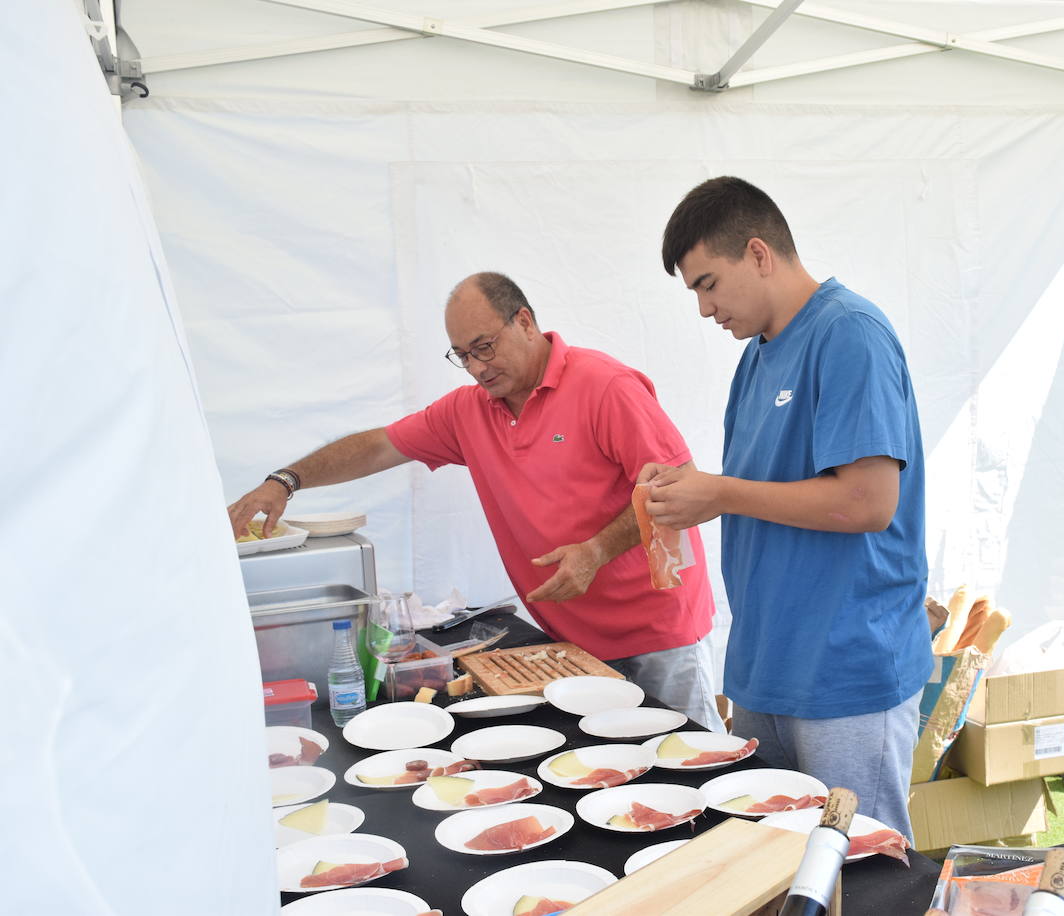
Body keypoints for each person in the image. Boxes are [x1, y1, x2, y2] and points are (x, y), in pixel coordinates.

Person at [228, 271, 723, 729]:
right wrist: (286, 480)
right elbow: (377, 447)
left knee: (689, 765)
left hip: (658, 632)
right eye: (462, 355)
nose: (476, 368)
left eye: (485, 347)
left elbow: (676, 486)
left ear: (525, 323)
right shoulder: (468, 413)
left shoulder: (604, 386)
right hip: (573, 640)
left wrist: (596, 551)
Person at [643, 176, 931, 840]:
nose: (704, 308)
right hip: (768, 668)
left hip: (845, 673)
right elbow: (767, 487)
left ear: (758, 253)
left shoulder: (849, 333)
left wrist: (717, 492)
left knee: (861, 876)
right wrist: (695, 487)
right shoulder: (758, 357)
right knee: (769, 867)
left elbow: (868, 502)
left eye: (708, 283)